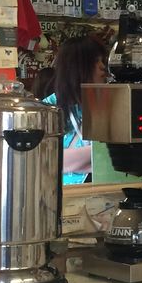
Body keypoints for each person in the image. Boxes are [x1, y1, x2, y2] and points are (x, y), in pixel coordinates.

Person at [42, 37, 108, 184]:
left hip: (101, 188)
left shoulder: (108, 104)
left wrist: (70, 160)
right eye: (96, 61)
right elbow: (44, 160)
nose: (102, 67)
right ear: (77, 67)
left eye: (102, 61)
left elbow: (114, 156)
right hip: (59, 191)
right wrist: (94, 156)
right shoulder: (48, 109)